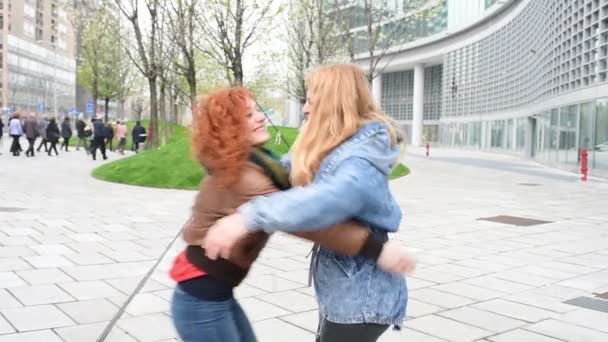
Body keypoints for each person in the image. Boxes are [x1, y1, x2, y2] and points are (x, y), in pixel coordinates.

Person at [169, 87, 413, 342]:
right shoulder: (246, 177)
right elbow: (313, 224)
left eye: (257, 111)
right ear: (229, 128)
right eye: (249, 116)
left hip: (209, 296)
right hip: (201, 303)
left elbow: (296, 175)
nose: (261, 117)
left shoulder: (255, 162)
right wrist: (377, 249)